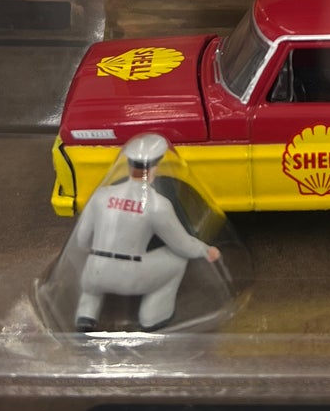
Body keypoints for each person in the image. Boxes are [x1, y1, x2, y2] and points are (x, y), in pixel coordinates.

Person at [73, 133, 220, 331]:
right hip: (129, 276)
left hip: (93, 272)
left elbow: (82, 239)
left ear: (128, 167)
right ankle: (153, 316)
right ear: (154, 169)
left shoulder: (101, 195)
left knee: (93, 285)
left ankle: (86, 315)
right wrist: (205, 250)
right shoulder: (157, 205)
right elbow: (182, 245)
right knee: (178, 259)